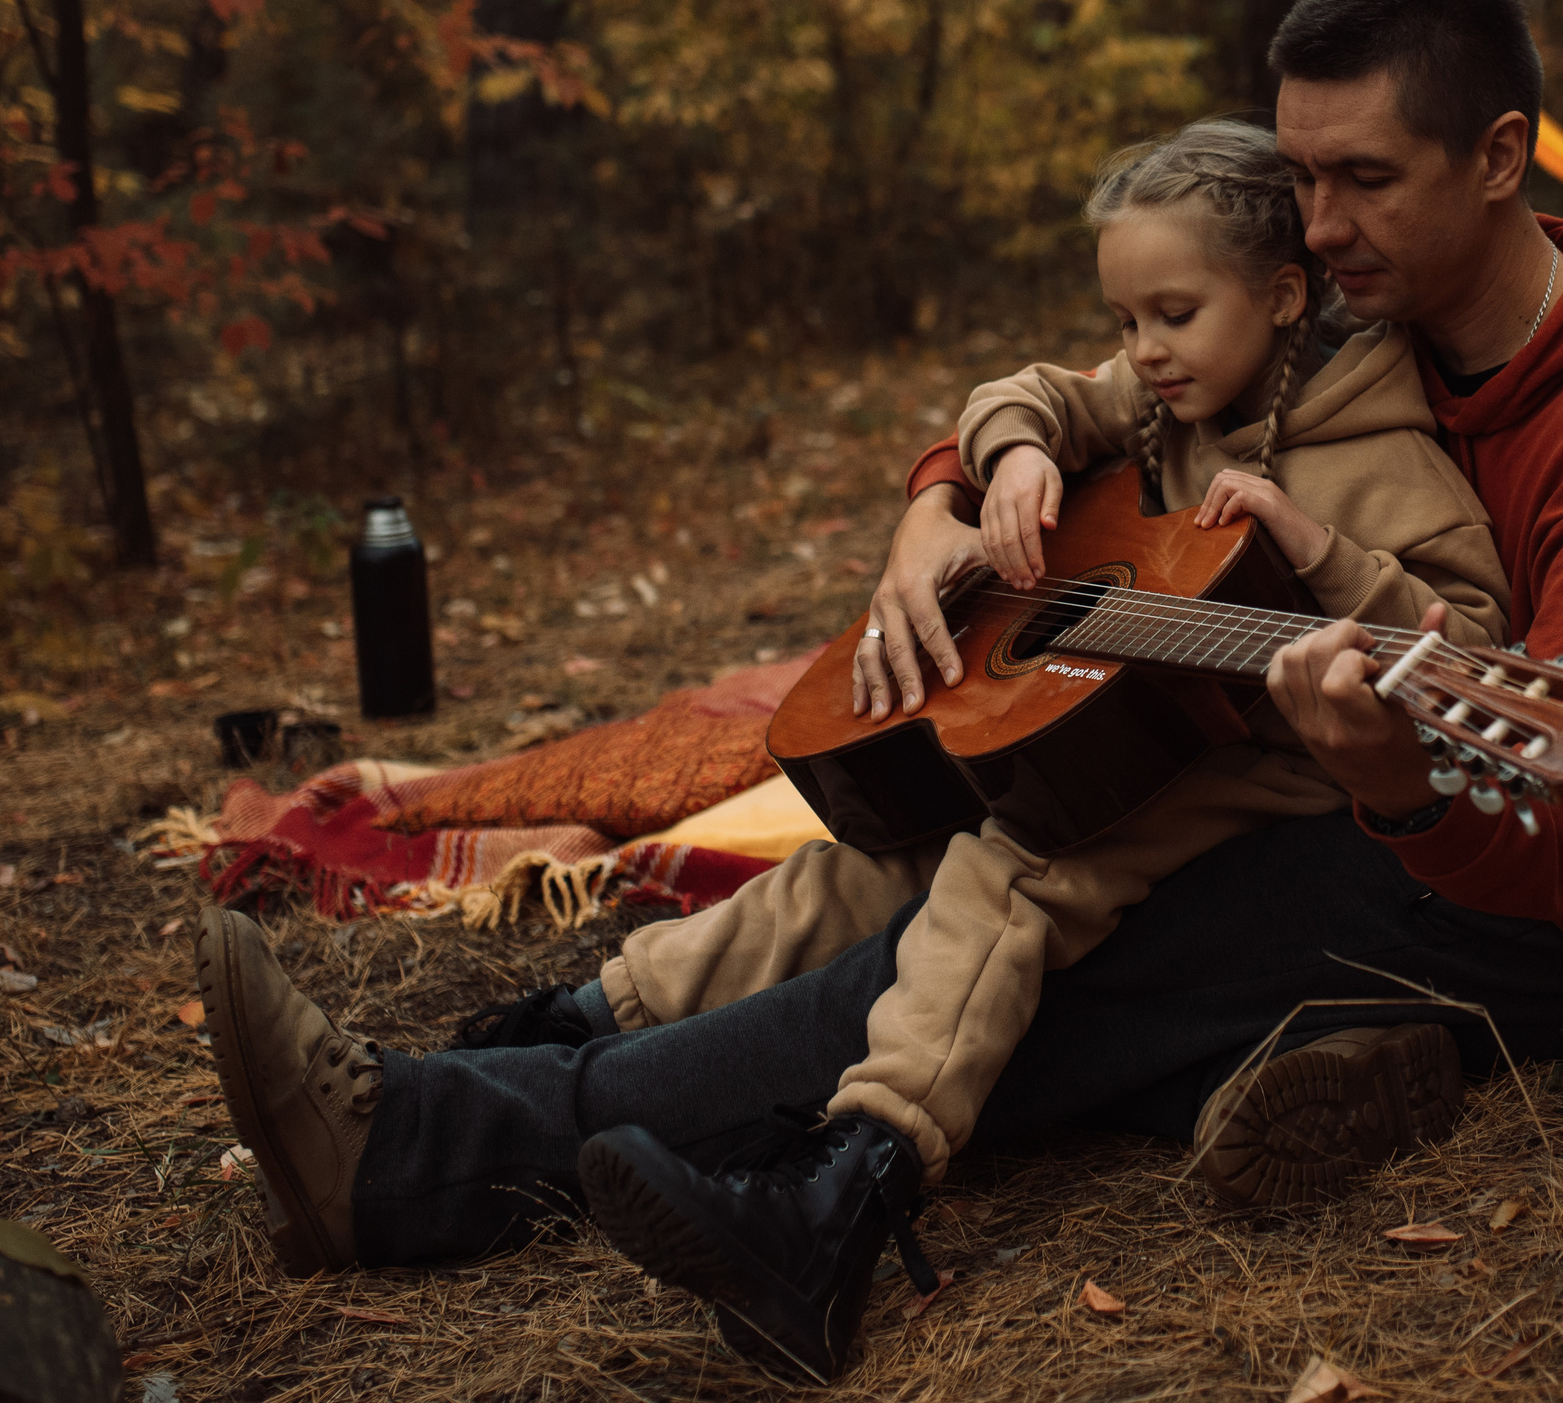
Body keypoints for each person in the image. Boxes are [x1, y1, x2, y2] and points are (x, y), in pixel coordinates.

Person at [191, 0, 1563, 1386]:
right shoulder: (1368, 305)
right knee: (957, 856)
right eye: (1296, 177)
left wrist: (1401, 792)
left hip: (1553, 916)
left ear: (1501, 160)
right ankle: (1287, 1060)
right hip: (1322, 779)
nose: (1319, 222)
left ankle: (423, 1150)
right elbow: (1102, 388)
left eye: (1363, 180)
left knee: (1019, 950)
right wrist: (938, 501)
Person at [574, 116, 1509, 1211]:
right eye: (1125, 318)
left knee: (1013, 864)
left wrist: (1317, 549)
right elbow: (1037, 391)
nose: (1146, 347)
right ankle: (603, 1007)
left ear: (1285, 297)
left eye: (1173, 313)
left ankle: (860, 1168)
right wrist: (1014, 452)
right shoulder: (1172, 386)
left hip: (1275, 769)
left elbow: (1476, 648)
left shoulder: (1383, 453)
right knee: (876, 859)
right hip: (1148, 716)